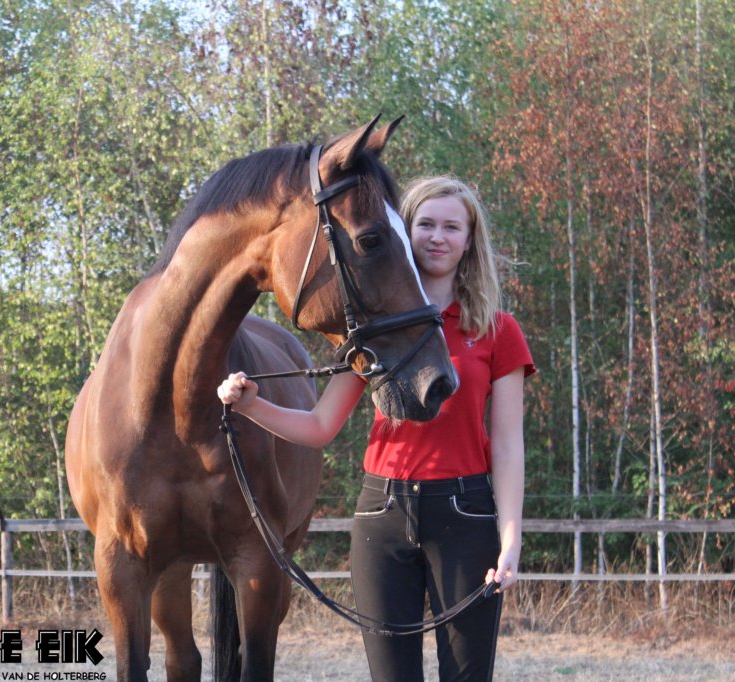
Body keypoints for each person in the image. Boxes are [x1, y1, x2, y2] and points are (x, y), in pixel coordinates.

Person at [217, 175, 534, 681]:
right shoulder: (372, 330)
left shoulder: (497, 329)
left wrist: (511, 537)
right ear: (405, 232)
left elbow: (509, 446)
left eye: (452, 227)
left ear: (469, 240)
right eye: (426, 224)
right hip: (382, 514)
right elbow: (320, 425)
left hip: (466, 514)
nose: (437, 236)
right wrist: (251, 407)